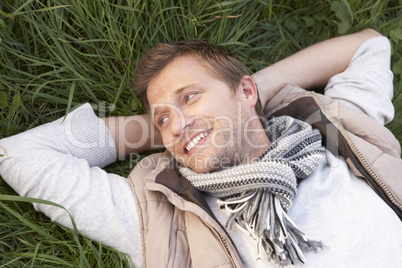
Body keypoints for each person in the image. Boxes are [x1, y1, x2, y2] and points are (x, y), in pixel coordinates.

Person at [0, 28, 401, 267]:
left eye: (190, 96)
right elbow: (19, 153)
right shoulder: (162, 218)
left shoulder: (330, 128)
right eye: (163, 117)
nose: (175, 122)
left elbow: (368, 45)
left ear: (246, 89)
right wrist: (175, 128)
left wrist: (244, 102)